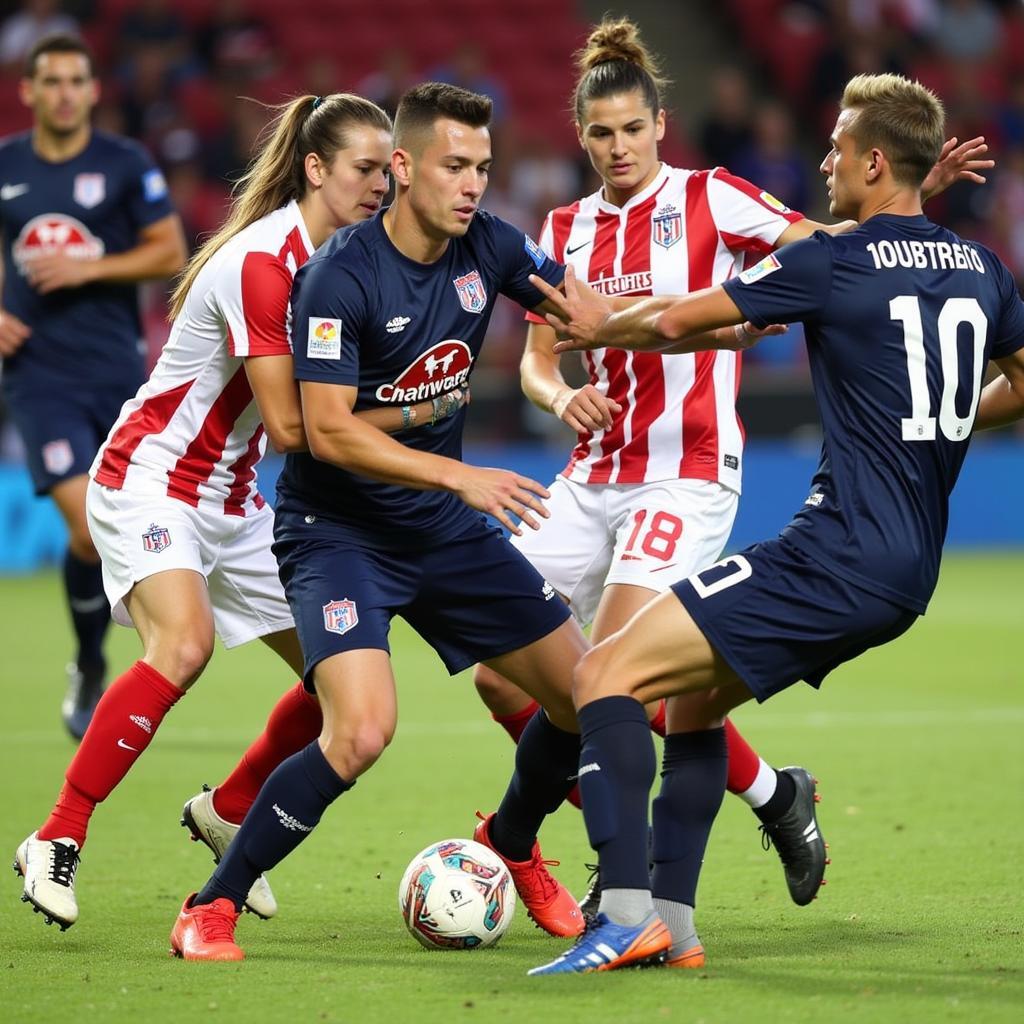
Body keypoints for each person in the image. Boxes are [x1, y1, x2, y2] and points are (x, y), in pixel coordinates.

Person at [471, 16, 988, 923]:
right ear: (581, 136)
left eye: (634, 129)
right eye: (601, 133)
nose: (619, 147)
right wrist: (559, 400)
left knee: (619, 672)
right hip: (591, 474)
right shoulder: (563, 228)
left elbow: (823, 250)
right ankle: (772, 796)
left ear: (660, 125)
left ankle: (585, 863)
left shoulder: (714, 198)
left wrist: (909, 188)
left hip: (687, 471)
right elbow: (539, 360)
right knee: (503, 675)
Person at [166, 81, 650, 963]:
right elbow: (325, 430)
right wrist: (459, 474)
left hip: (446, 530)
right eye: (454, 166)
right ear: (403, 166)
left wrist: (732, 319)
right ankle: (212, 905)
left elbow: (588, 312)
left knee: (589, 696)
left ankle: (509, 844)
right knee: (358, 731)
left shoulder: (491, 245)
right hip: (338, 536)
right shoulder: (339, 275)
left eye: (484, 168)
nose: (472, 185)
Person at [13, 92, 468, 933]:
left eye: (387, 171)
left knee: (341, 685)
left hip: (234, 498)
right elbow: (296, 427)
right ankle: (56, 835)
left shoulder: (354, 259)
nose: (380, 186)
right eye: (364, 169)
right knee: (180, 646)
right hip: (153, 478)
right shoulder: (264, 263)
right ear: (316, 168)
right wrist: (415, 418)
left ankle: (227, 807)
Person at [0, 33, 187, 739]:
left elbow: (169, 250)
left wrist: (87, 268)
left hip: (114, 369)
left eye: (77, 80)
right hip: (37, 375)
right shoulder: (7, 166)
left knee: (106, 532)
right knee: (85, 522)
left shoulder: (124, 163)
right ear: (29, 91)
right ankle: (96, 663)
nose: (65, 93)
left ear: (93, 90)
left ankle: (115, 660)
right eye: (51, 82)